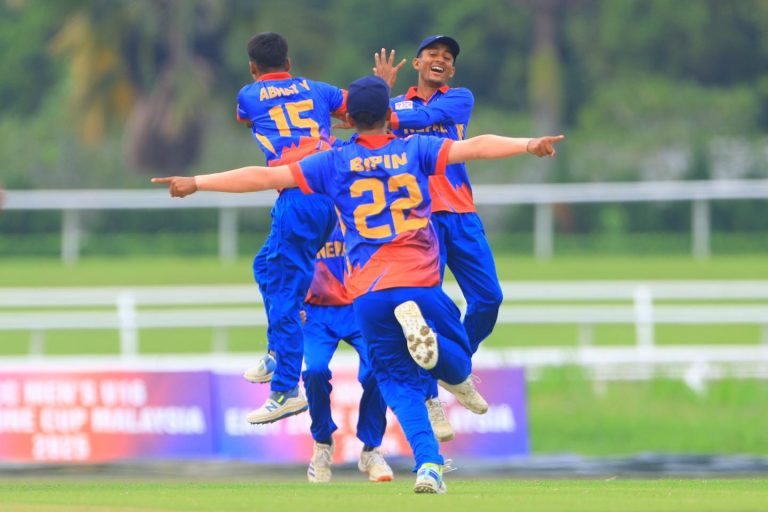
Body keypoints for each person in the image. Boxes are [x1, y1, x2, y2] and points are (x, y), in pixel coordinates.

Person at [152, 75, 563, 493]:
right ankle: (437, 357)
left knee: (398, 383)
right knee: (456, 358)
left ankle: (429, 465)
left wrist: (197, 182)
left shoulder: (333, 161)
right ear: (390, 115)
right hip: (419, 280)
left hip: (369, 293)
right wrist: (527, 144)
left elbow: (262, 176)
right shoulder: (416, 148)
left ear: (349, 118)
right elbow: (475, 146)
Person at [374, 35, 504, 442]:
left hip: (461, 213)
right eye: (433, 54)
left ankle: (455, 366)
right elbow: (367, 132)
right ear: (416, 63)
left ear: (452, 69)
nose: (441, 60)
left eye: (447, 57)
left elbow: (411, 120)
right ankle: (431, 397)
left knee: (489, 298)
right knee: (426, 307)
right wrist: (381, 95)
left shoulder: (459, 99)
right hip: (418, 220)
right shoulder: (394, 104)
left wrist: (382, 109)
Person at [235, 32, 347, 424]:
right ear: (289, 62)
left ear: (253, 67)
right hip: (326, 197)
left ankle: (286, 390)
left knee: (284, 293)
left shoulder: (248, 95)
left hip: (297, 197)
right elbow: (356, 112)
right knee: (265, 267)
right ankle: (276, 352)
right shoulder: (319, 90)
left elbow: (248, 119)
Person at [301, 223, 392, 483]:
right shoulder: (305, 214)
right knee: (315, 370)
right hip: (315, 310)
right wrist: (289, 304)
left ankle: (371, 449)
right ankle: (322, 444)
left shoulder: (360, 209)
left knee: (378, 369)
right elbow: (280, 262)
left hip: (359, 305)